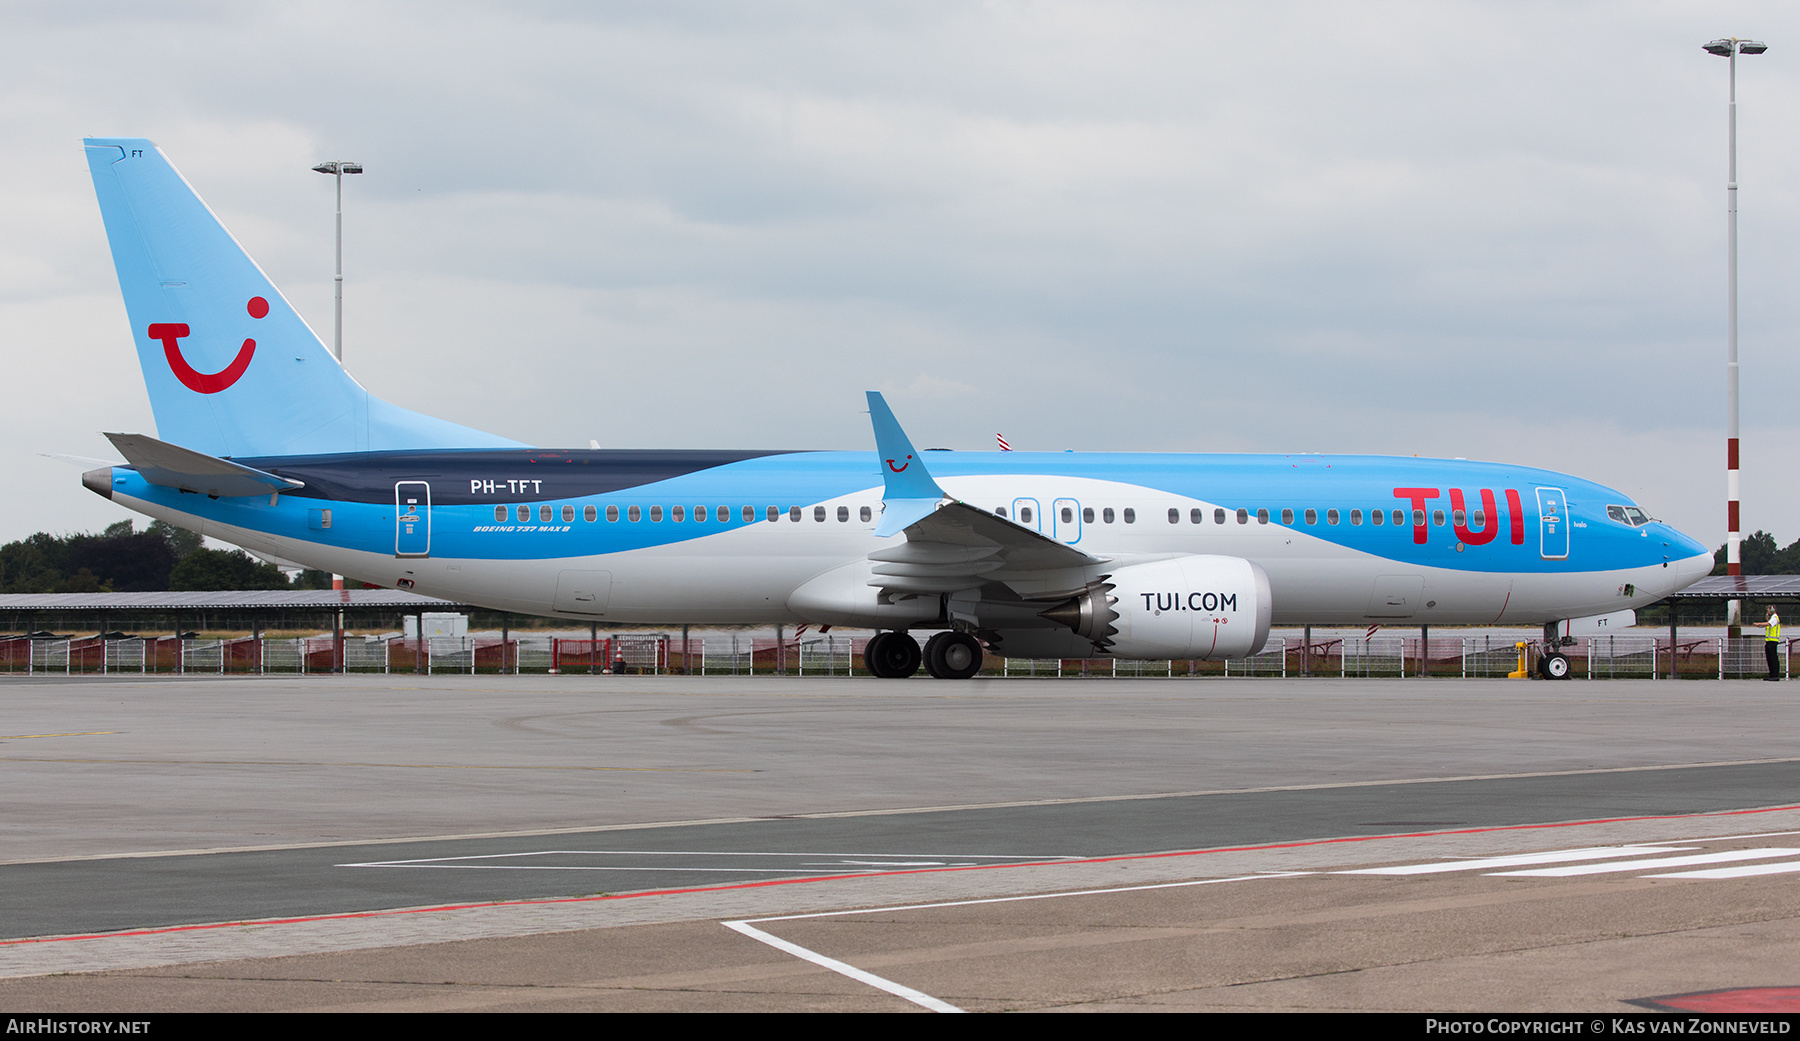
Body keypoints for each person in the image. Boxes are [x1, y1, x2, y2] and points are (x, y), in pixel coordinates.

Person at [1765, 605, 1783, 681]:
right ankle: (1771, 674)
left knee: (1773, 658)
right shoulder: (1771, 618)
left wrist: (1758, 624)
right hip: (1768, 640)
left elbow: (1769, 624)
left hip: (1773, 641)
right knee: (1769, 658)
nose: (1768, 612)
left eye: (1768, 610)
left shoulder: (1775, 618)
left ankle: (1775, 675)